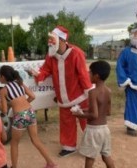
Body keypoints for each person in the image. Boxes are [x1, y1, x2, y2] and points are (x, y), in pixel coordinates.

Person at [28, 25, 94, 157]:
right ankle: (69, 146)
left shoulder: (76, 53)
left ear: (62, 40)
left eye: (53, 39)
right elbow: (46, 70)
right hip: (63, 98)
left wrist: (89, 92)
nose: (50, 42)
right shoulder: (51, 55)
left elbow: (83, 74)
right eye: (50, 39)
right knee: (66, 122)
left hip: (80, 95)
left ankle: (92, 145)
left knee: (87, 122)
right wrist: (38, 74)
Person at [0, 65, 57, 168]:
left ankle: (14, 166)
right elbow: (32, 96)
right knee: (35, 139)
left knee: (14, 143)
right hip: (30, 111)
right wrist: (23, 104)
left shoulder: (3, 91)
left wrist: (0, 105)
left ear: (3, 77)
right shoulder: (20, 83)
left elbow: (4, 110)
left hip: (20, 116)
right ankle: (51, 163)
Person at [71, 60, 115, 168]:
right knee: (106, 156)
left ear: (96, 76)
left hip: (93, 130)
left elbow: (94, 115)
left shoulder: (92, 93)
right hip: (104, 129)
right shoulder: (108, 91)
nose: (88, 74)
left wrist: (78, 115)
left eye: (90, 72)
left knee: (90, 157)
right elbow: (108, 112)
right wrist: (86, 110)